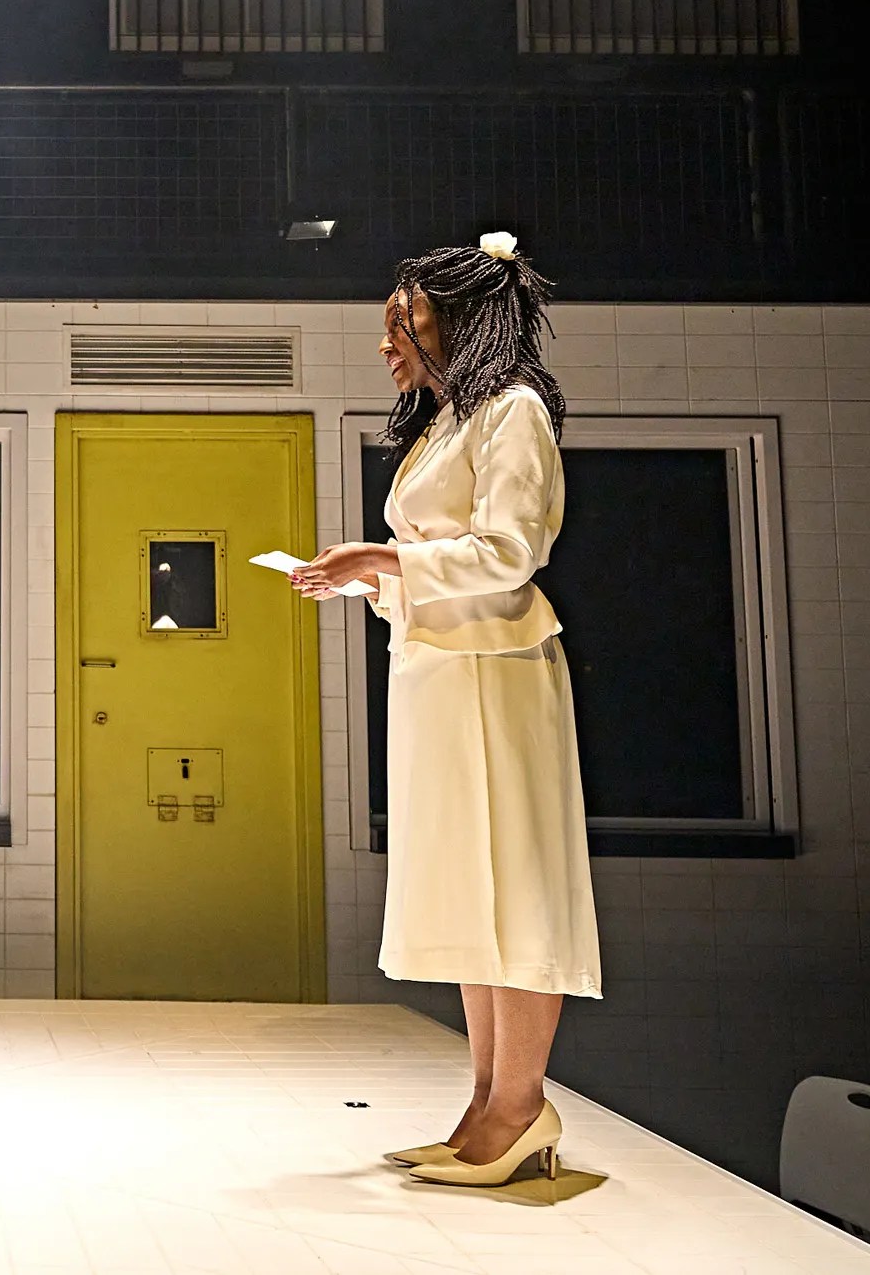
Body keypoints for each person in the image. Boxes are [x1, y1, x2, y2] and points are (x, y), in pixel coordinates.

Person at [290, 233, 600, 1188]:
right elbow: (442, 571)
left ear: (455, 320)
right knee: (472, 889)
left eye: (403, 322)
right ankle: (484, 1104)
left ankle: (520, 1107)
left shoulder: (513, 411)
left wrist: (379, 559)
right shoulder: (449, 421)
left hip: (498, 680)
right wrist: (368, 583)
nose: (387, 344)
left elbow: (509, 555)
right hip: (440, 673)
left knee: (518, 888)